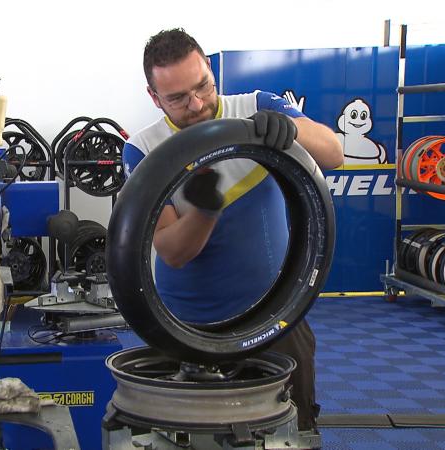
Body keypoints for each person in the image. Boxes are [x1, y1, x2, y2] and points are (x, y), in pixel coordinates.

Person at [122, 28, 343, 433]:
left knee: (294, 429)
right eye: (177, 98)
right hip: (185, 326)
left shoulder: (255, 107)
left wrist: (291, 129)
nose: (197, 104)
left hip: (276, 316)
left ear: (210, 69)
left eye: (202, 86)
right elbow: (172, 251)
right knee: (190, 434)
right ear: (154, 97)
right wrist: (206, 209)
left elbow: (334, 153)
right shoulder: (144, 150)